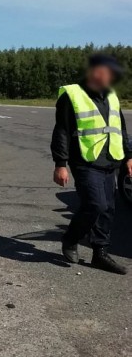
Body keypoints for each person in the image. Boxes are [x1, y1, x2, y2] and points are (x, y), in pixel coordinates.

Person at [51, 54, 132, 275]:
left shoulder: (112, 96)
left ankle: (100, 254)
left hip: (110, 159)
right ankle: (71, 238)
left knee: (109, 209)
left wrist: (129, 157)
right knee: (96, 205)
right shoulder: (73, 95)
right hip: (86, 161)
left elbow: (121, 128)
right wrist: (60, 163)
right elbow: (62, 131)